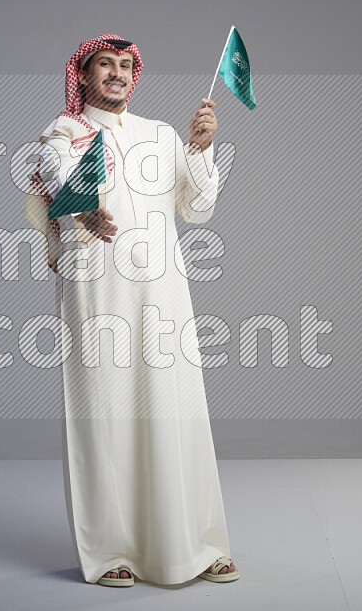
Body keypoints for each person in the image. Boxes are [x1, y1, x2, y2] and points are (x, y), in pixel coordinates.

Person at [23, 33, 239, 587]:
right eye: (105, 65)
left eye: (124, 66)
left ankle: (199, 542)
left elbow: (198, 208)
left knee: (177, 405)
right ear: (85, 76)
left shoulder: (161, 135)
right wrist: (83, 211)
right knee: (105, 411)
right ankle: (110, 553)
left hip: (163, 288)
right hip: (97, 289)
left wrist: (201, 147)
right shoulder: (64, 131)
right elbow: (58, 177)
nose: (116, 73)